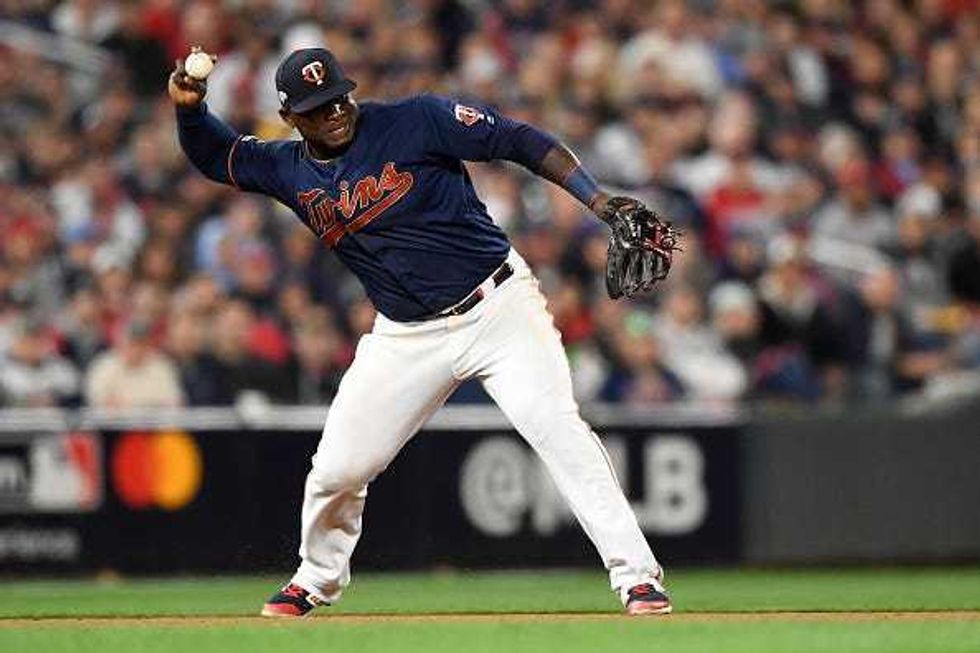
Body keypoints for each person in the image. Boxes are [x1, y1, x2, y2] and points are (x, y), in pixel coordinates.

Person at [169, 47, 672, 617]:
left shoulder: (417, 119)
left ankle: (638, 577)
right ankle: (315, 578)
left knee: (559, 430)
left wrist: (597, 200)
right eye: (317, 108)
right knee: (338, 468)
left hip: (499, 308)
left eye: (338, 99)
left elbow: (519, 139)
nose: (334, 113)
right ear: (289, 118)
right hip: (406, 335)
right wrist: (190, 110)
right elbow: (218, 156)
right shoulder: (286, 167)